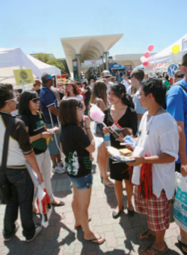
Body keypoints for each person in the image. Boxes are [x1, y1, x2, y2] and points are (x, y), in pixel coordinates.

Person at [127, 78, 179, 255]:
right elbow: (143, 141)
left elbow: (171, 155)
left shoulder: (167, 121)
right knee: (149, 208)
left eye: (140, 94)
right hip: (143, 174)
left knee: (158, 210)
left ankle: (159, 244)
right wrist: (128, 142)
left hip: (158, 179)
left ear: (150, 96)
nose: (137, 97)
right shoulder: (147, 116)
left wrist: (144, 161)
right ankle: (152, 231)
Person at [0, 84, 44, 242]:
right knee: (25, 202)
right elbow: (28, 152)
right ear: (8, 102)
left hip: (2, 170)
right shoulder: (15, 123)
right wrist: (38, 172)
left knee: (11, 200)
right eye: (13, 98)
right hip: (18, 169)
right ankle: (29, 232)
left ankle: (8, 231)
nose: (16, 100)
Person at [59, 98, 105, 245]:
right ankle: (88, 233)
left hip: (72, 169)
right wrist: (87, 128)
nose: (83, 111)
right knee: (83, 206)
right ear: (73, 111)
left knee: (76, 199)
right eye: (80, 109)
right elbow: (92, 147)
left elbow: (61, 147)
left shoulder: (65, 128)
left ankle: (79, 222)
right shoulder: (77, 130)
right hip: (82, 171)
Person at [19, 90, 65, 207]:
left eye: (38, 99)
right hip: (34, 154)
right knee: (35, 181)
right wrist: (40, 136)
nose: (38, 102)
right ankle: (34, 205)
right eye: (34, 100)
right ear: (26, 102)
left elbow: (44, 130)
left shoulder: (39, 114)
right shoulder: (25, 118)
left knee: (46, 177)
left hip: (44, 150)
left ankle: (50, 198)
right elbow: (25, 139)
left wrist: (52, 130)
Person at [103, 83, 137, 219]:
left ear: (121, 94)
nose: (109, 97)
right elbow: (103, 133)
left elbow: (134, 134)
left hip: (127, 150)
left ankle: (129, 203)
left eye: (112, 94)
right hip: (113, 150)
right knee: (117, 179)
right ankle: (119, 205)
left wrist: (127, 137)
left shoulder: (131, 112)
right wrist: (104, 131)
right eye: (108, 94)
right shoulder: (106, 111)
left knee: (128, 179)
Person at [167, 53, 187, 254]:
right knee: (183, 199)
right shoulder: (177, 91)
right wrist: (184, 161)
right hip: (184, 158)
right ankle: (184, 239)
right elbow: (178, 128)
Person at [90, 80, 114, 187]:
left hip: (96, 129)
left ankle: (102, 174)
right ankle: (105, 178)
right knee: (103, 155)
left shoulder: (93, 99)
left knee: (100, 155)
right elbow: (106, 115)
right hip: (102, 130)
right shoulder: (100, 101)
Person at [40, 72, 65, 174]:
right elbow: (52, 109)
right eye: (51, 79)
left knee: (57, 142)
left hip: (54, 121)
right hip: (51, 121)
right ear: (48, 80)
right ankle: (55, 165)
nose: (53, 80)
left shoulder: (47, 90)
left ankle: (59, 162)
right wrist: (62, 115)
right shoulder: (46, 92)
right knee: (53, 144)